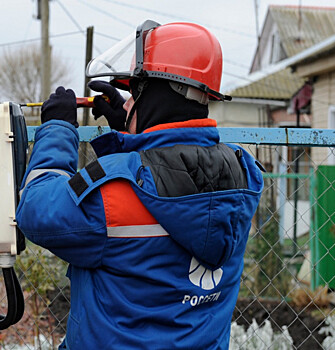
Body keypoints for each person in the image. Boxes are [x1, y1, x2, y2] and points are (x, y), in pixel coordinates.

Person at [16, 21, 264, 350]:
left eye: (135, 93)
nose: (129, 102)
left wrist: (58, 129)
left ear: (156, 95)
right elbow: (164, 178)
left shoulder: (112, 197)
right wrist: (134, 132)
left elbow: (37, 208)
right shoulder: (242, 177)